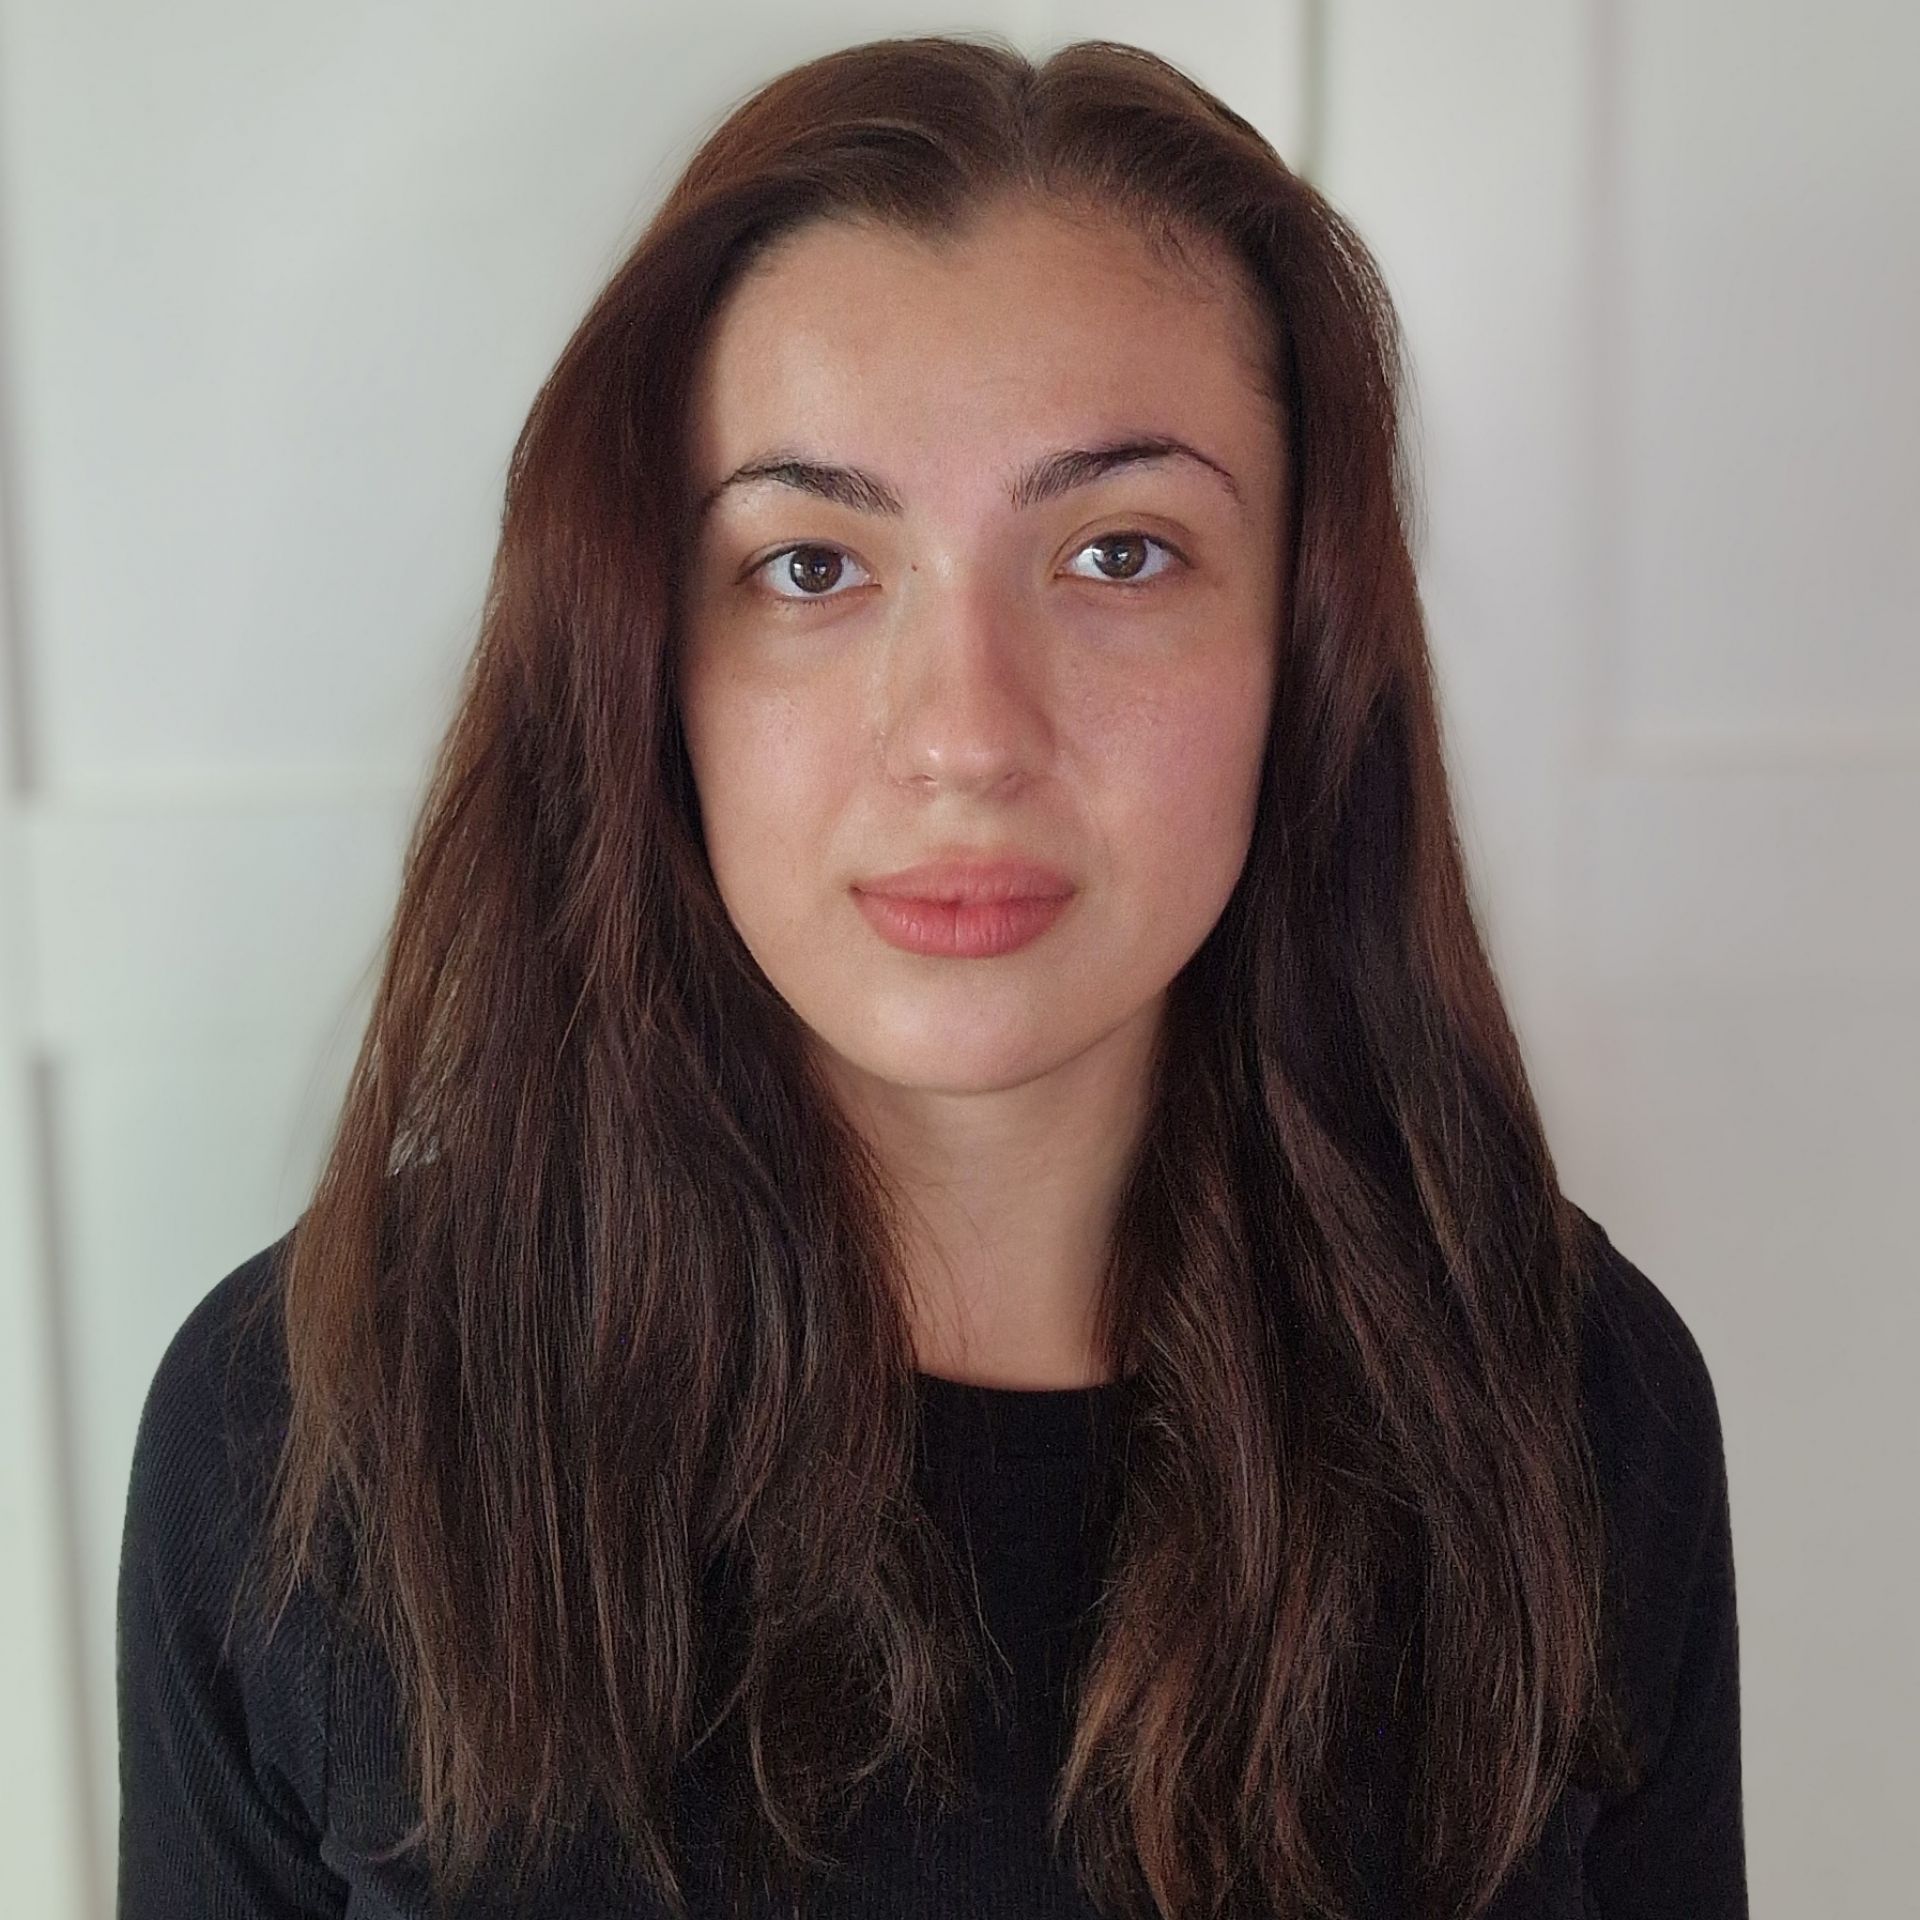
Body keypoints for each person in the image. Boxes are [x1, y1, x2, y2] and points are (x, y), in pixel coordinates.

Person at [115, 31, 1747, 1920]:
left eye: (1120, 553)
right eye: (813, 568)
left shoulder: (1568, 1405)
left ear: (1305, 650)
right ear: (648, 663)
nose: (967, 736)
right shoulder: (301, 1436)